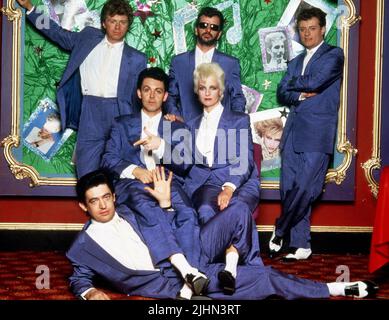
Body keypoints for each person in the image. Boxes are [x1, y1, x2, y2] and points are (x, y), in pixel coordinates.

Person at [67, 168, 378, 300]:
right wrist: (89, 292)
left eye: (106, 197)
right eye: (95, 201)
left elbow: (169, 228)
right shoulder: (85, 245)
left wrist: (164, 205)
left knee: (240, 210)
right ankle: (336, 290)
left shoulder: (132, 213)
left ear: (113, 196)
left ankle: (233, 268)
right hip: (174, 281)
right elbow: (79, 278)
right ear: (84, 206)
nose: (103, 205)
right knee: (266, 278)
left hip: (190, 251)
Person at [101, 67, 207, 295]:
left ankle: (187, 290)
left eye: (158, 91)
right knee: (148, 207)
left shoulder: (177, 126)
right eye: (147, 90)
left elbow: (185, 163)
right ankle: (186, 269)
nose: (152, 96)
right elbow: (107, 159)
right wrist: (135, 171)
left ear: (165, 96)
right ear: (139, 92)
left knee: (188, 214)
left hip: (169, 182)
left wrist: (160, 145)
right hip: (133, 185)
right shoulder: (121, 124)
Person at [16, 0, 147, 177]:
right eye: (112, 21)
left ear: (128, 25)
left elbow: (144, 94)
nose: (117, 27)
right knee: (86, 168)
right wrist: (30, 9)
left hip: (119, 112)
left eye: (122, 22)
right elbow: (57, 33)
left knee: (119, 168)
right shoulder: (87, 38)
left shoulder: (138, 58)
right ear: (103, 23)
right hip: (89, 110)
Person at [164, 62, 261, 294]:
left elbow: (244, 161)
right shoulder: (191, 124)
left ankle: (231, 268)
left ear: (221, 91)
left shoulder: (238, 119)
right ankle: (215, 272)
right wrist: (174, 129)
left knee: (236, 208)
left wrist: (228, 188)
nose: (207, 92)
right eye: (202, 88)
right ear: (197, 92)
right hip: (205, 184)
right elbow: (181, 160)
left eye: (213, 88)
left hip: (238, 181)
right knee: (207, 210)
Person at [269, 7, 345, 261]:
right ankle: (302, 245)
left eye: (312, 28)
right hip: (292, 133)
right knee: (289, 188)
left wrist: (294, 83)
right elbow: (283, 92)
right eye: (302, 30)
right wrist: (298, 92)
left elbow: (315, 81)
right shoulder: (294, 61)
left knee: (305, 187)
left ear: (323, 29)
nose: (307, 34)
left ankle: (280, 230)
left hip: (317, 132)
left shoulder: (334, 55)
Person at [165, 6, 246, 122]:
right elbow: (171, 97)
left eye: (213, 27)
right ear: (196, 30)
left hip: (220, 131)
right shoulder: (178, 62)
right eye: (203, 25)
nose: (208, 30)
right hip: (185, 129)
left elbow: (237, 98)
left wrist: (232, 123)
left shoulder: (230, 64)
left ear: (219, 34)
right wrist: (177, 119)